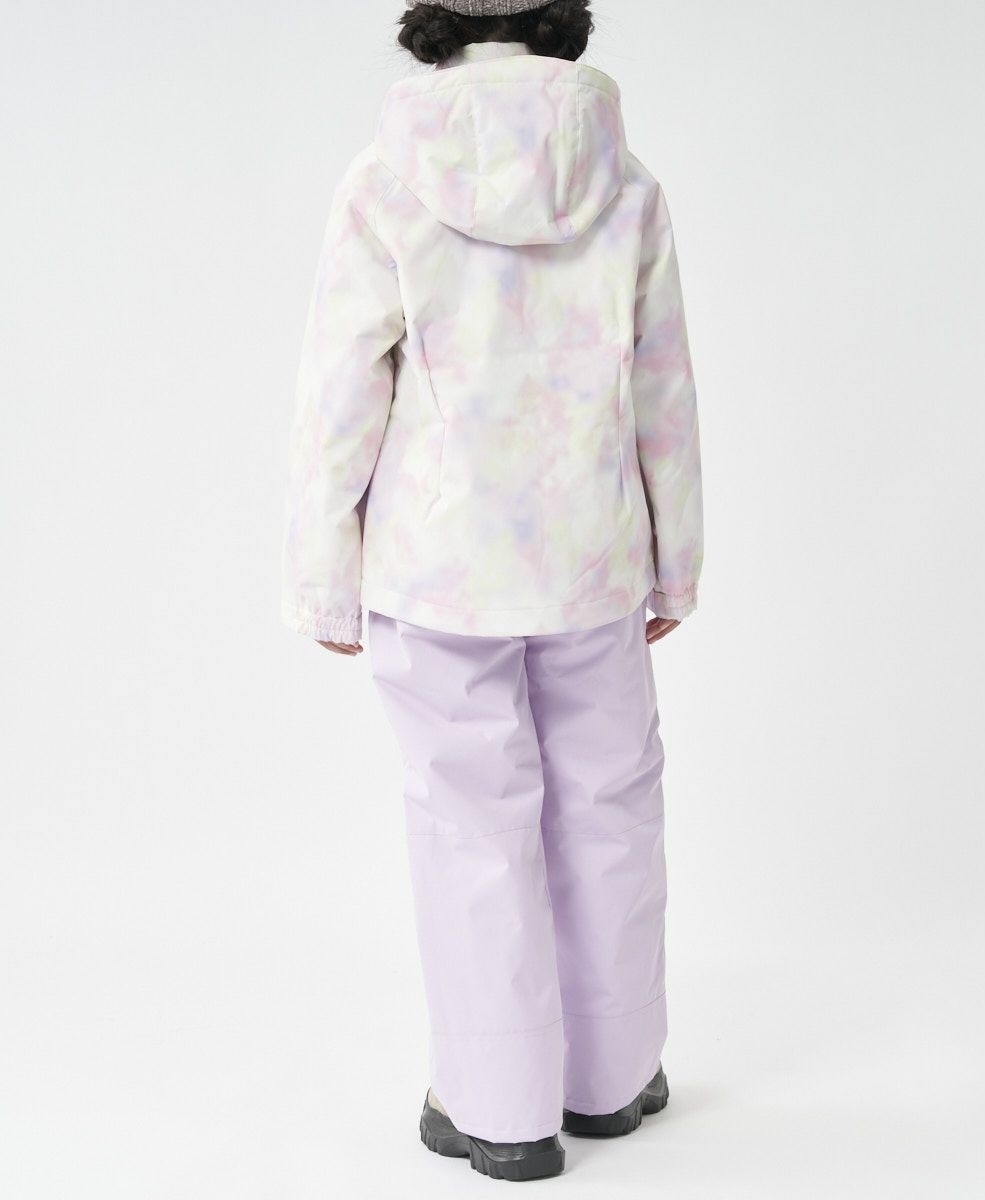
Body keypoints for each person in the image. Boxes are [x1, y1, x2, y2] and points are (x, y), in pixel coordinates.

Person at [281, 0, 703, 1181]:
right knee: (611, 803)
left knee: (470, 826)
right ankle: (610, 1079)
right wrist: (675, 559)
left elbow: (340, 392)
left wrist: (323, 577)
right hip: (592, 555)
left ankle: (500, 1109)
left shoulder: (384, 178)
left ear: (431, 24)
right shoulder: (626, 182)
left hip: (437, 566)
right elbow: (663, 386)